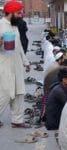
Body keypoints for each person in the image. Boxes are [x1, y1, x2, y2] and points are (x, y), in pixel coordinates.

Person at [0, 0, 31, 128]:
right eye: (18, 13)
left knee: (19, 92)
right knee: (5, 93)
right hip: (4, 65)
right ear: (11, 13)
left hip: (17, 64)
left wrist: (26, 62)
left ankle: (17, 120)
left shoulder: (15, 26)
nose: (20, 15)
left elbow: (18, 47)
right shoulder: (1, 25)